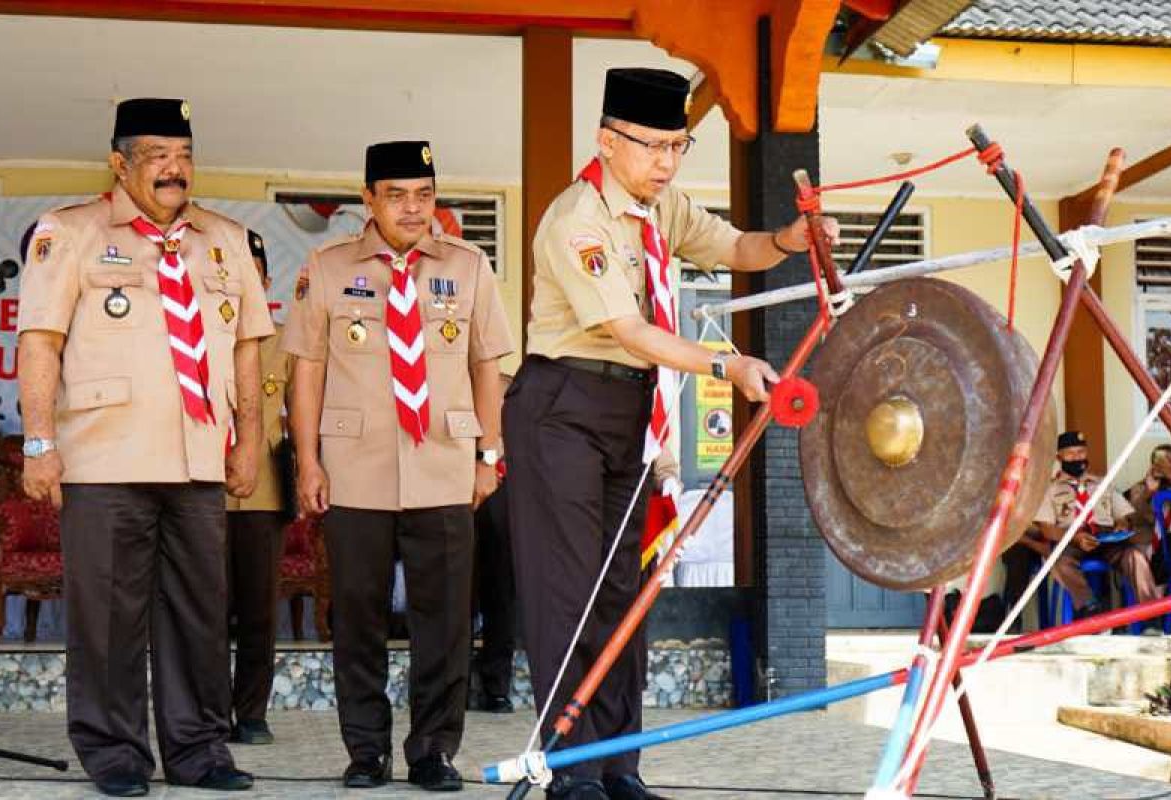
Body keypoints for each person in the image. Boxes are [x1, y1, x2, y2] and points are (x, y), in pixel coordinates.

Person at [505, 67, 838, 800]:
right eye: (650, 146)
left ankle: (619, 763)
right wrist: (727, 361)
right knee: (570, 597)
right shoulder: (578, 218)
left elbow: (735, 248)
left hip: (625, 411)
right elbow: (627, 328)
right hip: (562, 407)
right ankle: (570, 771)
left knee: (624, 593)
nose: (664, 162)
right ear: (606, 138)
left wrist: (790, 238)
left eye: (677, 146)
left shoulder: (662, 207)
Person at [17, 97, 272, 796]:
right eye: (157, 156)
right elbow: (39, 342)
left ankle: (199, 753)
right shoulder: (68, 234)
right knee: (107, 617)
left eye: (184, 156)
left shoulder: (224, 239)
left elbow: (247, 352)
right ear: (119, 164)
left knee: (198, 614)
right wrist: (39, 442)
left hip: (197, 459)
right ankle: (115, 753)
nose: (173, 170)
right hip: (105, 459)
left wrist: (248, 440)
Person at [284, 140, 512, 791]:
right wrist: (307, 461)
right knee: (358, 620)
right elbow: (306, 370)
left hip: (444, 466)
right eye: (396, 194)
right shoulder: (327, 269)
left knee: (444, 623)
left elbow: (486, 366)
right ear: (369, 200)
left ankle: (434, 750)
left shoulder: (468, 267)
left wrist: (489, 455)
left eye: (423, 195)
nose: (413, 208)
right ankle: (366, 750)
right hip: (356, 471)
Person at [226, 229, 291, 746]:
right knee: (198, 613)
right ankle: (202, 712)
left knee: (257, 612)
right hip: (194, 493)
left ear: (266, 279)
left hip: (262, 495)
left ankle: (251, 712)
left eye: (255, 272)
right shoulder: (194, 334)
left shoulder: (286, 341)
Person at [1035, 431, 1158, 624]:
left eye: (1081, 452)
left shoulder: (1102, 484)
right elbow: (1047, 529)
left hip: (1106, 539)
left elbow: (1125, 515)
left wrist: (1121, 525)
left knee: (1135, 556)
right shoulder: (1050, 490)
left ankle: (1152, 616)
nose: (1077, 458)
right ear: (1059, 457)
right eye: (1071, 453)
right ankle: (1089, 608)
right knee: (1056, 559)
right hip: (1071, 540)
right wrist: (1076, 538)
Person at [472, 372, 515, 714]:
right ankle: (452, 686)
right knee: (454, 602)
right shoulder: (458, 382)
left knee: (501, 599)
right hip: (458, 500)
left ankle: (496, 686)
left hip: (503, 508)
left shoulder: (510, 384)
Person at [1126, 444, 1171, 570]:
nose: (1160, 464)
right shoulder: (1140, 487)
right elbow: (1133, 518)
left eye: (1166, 460)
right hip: (1146, 541)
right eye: (1156, 459)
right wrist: (1147, 494)